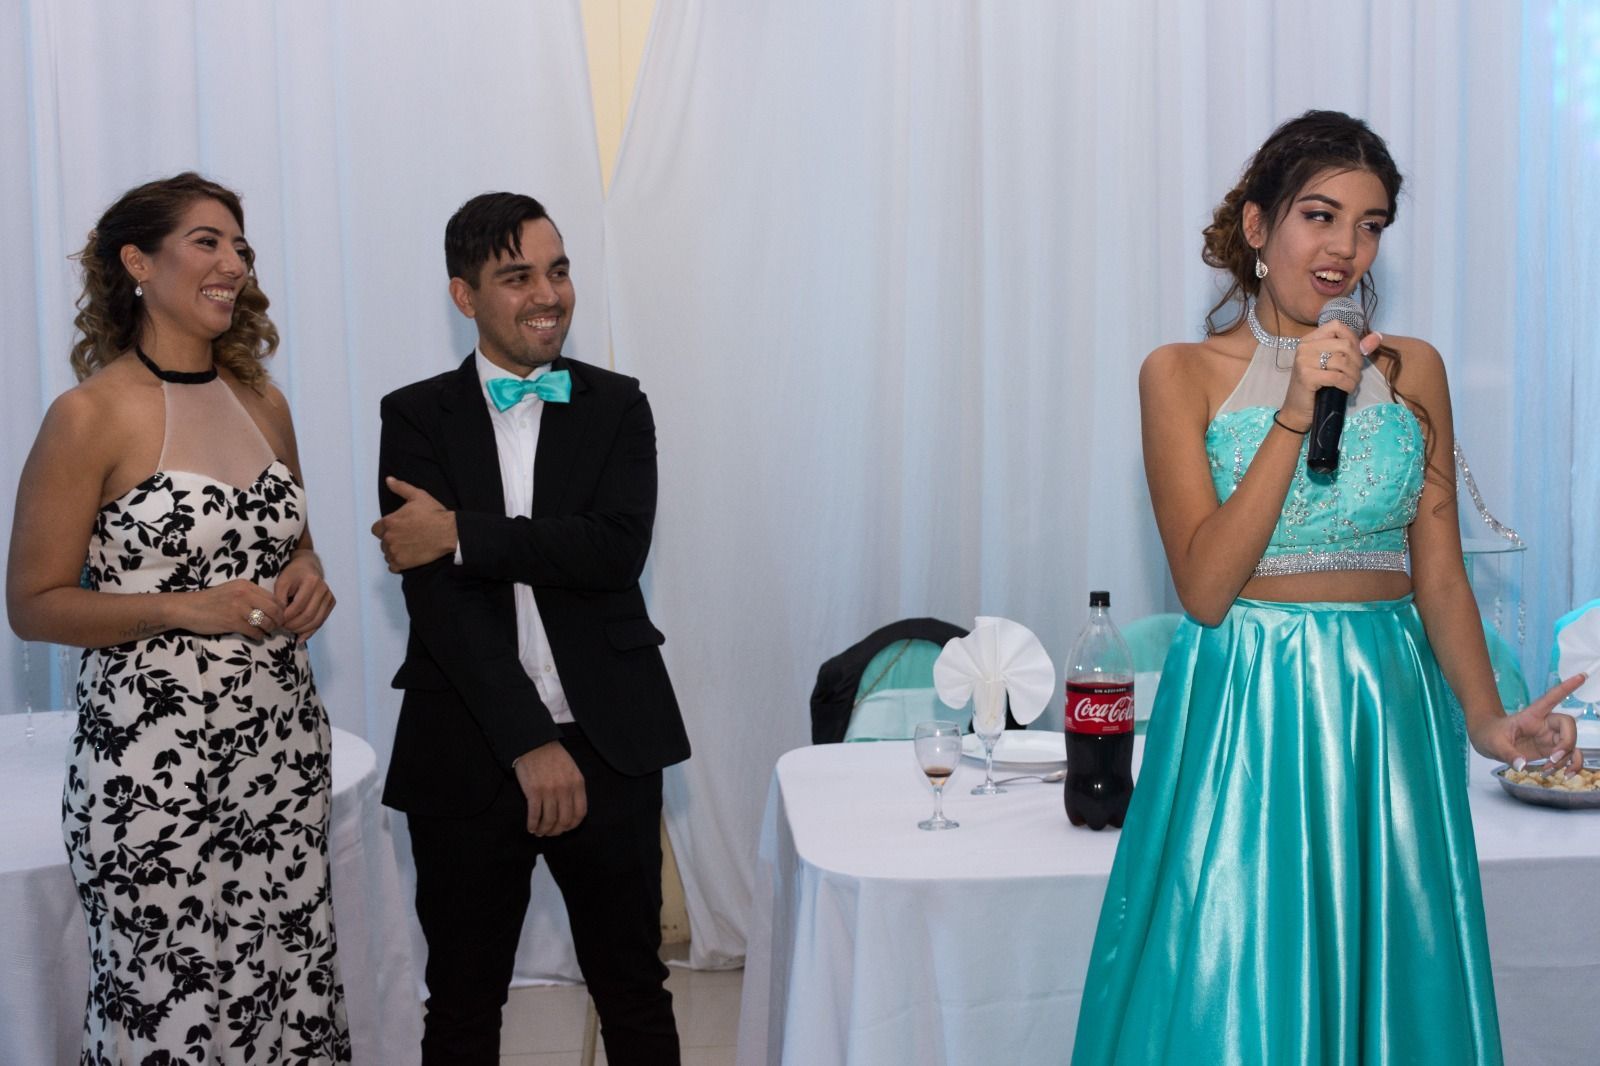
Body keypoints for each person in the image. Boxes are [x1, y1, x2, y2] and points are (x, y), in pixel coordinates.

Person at [1071, 111, 1584, 1065]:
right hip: (1249, 702)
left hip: (1388, 706)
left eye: (1371, 224)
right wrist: (1294, 411)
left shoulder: (1412, 368)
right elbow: (1205, 589)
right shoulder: (1180, 374)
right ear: (1257, 227)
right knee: (1242, 970)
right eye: (1320, 215)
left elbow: (1439, 573)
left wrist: (1487, 720)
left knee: (1392, 977)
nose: (1347, 248)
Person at [6, 173, 348, 1063]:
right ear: (137, 262)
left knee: (285, 992)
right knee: (170, 1011)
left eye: (241, 247)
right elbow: (32, 605)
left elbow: (298, 543)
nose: (234, 263)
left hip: (279, 754)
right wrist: (183, 609)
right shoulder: (87, 416)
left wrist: (309, 575)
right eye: (208, 242)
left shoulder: (264, 402)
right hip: (152, 774)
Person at [371, 191, 690, 1065]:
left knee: (634, 989)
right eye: (517, 277)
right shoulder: (415, 414)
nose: (549, 295)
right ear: (464, 296)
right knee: (463, 1003)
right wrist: (529, 742)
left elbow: (613, 551)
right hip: (467, 743)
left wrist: (462, 532)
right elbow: (439, 601)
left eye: (559, 270)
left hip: (611, 736)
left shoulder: (619, 404)